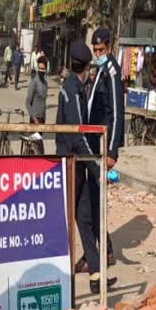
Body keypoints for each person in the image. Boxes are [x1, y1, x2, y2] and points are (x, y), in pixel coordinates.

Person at [57, 41, 117, 294]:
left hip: (78, 163)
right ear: (87, 66)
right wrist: (97, 167)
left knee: (84, 219)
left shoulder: (77, 87)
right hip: (71, 164)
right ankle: (58, 277)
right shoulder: (71, 90)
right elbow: (78, 136)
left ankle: (95, 274)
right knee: (67, 221)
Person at [80, 26, 123, 273]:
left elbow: (117, 114)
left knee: (95, 200)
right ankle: (99, 250)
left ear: (109, 46)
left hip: (103, 146)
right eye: (95, 50)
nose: (98, 53)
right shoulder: (99, 71)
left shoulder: (112, 73)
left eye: (101, 49)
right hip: (93, 143)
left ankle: (103, 251)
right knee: (91, 200)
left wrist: (113, 152)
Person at [26, 56, 48, 125]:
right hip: (34, 120)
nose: (41, 71)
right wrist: (34, 119)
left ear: (46, 69)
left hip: (42, 119)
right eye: (39, 68)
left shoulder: (45, 83)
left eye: (43, 69)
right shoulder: (34, 83)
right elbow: (27, 103)